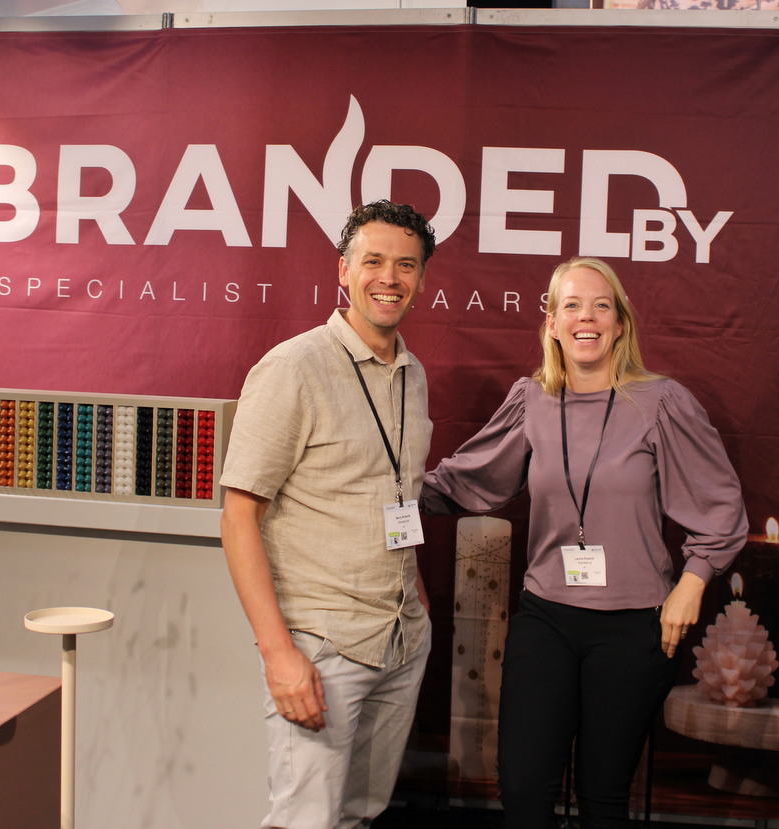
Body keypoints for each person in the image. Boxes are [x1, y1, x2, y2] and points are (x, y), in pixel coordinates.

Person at [421, 257, 748, 829]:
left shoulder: (661, 402)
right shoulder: (532, 400)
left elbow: (719, 506)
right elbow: (468, 481)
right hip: (546, 617)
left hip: (635, 626)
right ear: (551, 323)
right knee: (523, 791)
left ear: (620, 324)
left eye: (601, 306)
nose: (586, 318)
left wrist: (693, 582)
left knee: (602, 797)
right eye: (571, 305)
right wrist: (381, 496)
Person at [219, 200, 436, 829]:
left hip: (400, 636)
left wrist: (415, 598)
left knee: (359, 817)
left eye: (406, 265)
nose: (389, 278)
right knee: (305, 821)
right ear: (343, 270)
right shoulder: (293, 368)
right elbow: (238, 518)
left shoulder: (413, 374)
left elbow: (393, 492)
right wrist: (278, 654)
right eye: (373, 261)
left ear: (422, 279)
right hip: (323, 645)